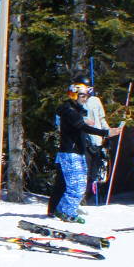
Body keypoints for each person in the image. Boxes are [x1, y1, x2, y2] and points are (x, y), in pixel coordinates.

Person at [52, 83, 122, 224]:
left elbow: (80, 123)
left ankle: (62, 210)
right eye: (82, 96)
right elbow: (82, 126)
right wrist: (106, 133)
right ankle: (66, 212)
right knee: (76, 186)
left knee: (81, 185)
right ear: (74, 95)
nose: (85, 99)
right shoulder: (69, 110)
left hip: (78, 152)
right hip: (70, 153)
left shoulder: (75, 110)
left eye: (86, 96)